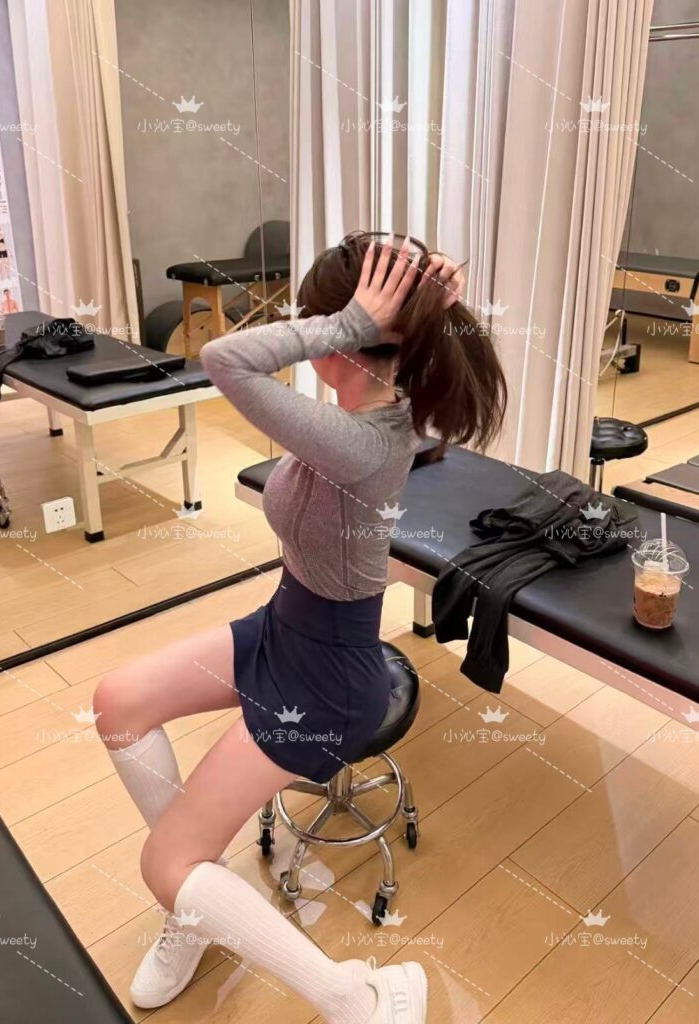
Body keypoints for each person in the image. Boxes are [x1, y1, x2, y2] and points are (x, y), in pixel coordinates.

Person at [93, 231, 506, 1022]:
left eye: (318, 320)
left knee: (163, 863)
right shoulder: (368, 411)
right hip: (284, 628)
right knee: (118, 703)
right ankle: (195, 901)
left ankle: (360, 997)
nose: (309, 332)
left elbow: (222, 358)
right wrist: (427, 301)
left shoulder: (360, 442)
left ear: (350, 332)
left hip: (325, 683)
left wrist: (351, 320)